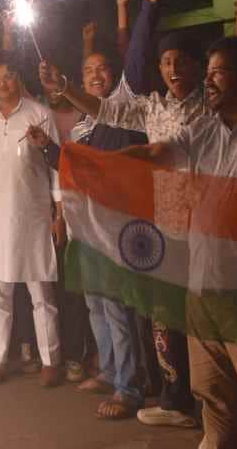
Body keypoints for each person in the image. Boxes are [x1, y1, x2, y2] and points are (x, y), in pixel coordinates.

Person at [40, 0, 237, 427]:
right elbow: (105, 110)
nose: (174, 70)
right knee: (164, 311)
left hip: (213, 219)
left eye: (183, 62)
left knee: (216, 313)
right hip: (165, 215)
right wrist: (65, 88)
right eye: (167, 63)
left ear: (202, 70)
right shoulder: (153, 107)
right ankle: (179, 400)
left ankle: (233, 413)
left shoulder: (214, 104)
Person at [115, 36, 237, 449]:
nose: (210, 81)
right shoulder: (203, 129)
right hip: (203, 295)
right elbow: (159, 151)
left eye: (219, 71)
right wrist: (94, 163)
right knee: (215, 403)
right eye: (211, 71)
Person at [30, 49, 149, 419]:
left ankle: (129, 387)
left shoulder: (121, 117)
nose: (96, 75)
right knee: (95, 303)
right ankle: (110, 370)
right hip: (88, 224)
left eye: (103, 68)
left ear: (114, 75)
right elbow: (72, 169)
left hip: (118, 226)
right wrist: (47, 147)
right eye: (88, 70)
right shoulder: (82, 127)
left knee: (116, 307)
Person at [0, 54, 64, 388]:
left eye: (7, 76)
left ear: (18, 78)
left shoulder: (40, 114)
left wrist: (59, 214)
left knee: (41, 293)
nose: (1, 82)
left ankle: (51, 361)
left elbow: (56, 169)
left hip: (34, 215)